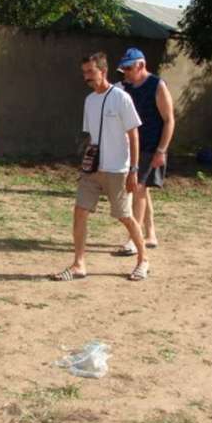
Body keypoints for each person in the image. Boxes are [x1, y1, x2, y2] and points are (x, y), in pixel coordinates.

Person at [50, 52, 149, 282]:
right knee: (80, 211)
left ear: (103, 71)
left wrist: (134, 169)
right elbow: (91, 136)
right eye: (84, 72)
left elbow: (133, 135)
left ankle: (143, 260)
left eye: (90, 72)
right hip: (93, 169)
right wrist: (85, 162)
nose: (86, 77)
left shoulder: (121, 98)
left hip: (117, 169)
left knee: (124, 216)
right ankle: (78, 264)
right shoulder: (89, 100)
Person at [114, 47, 175, 255]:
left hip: (151, 146)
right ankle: (150, 234)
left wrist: (162, 150)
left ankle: (135, 238)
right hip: (134, 146)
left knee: (138, 188)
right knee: (143, 188)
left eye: (129, 68)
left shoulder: (157, 86)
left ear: (141, 65)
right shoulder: (125, 87)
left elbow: (169, 120)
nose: (126, 72)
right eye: (124, 69)